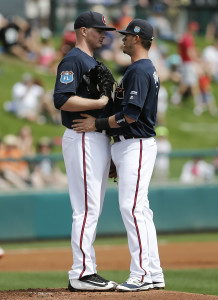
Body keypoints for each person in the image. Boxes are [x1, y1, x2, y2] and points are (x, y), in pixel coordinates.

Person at [72, 18, 165, 292]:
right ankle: (155, 272)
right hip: (130, 145)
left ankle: (142, 275)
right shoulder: (141, 69)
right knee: (140, 210)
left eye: (126, 36)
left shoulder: (138, 70)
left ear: (137, 39)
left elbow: (129, 115)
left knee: (133, 208)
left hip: (136, 143)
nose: (122, 39)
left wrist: (96, 124)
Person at [53, 11, 117, 292]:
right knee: (87, 208)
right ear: (82, 31)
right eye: (98, 29)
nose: (104, 34)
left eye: (104, 30)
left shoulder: (92, 61)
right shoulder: (73, 60)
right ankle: (81, 272)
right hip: (82, 135)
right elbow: (62, 99)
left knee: (93, 208)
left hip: (96, 137)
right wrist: (100, 102)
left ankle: (86, 269)